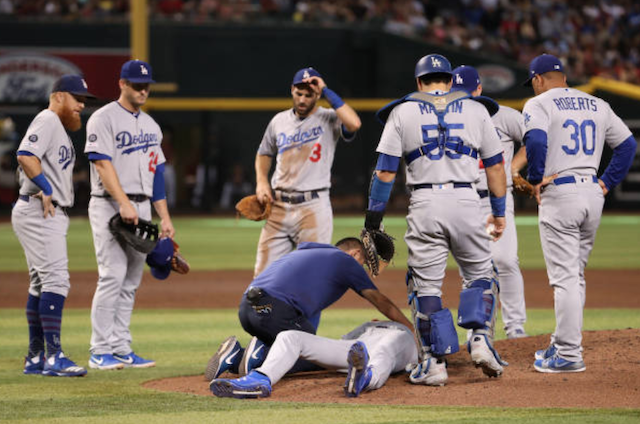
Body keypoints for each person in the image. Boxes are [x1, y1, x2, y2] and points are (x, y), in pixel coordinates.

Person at [364, 54, 509, 386]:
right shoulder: (476, 109)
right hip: (467, 200)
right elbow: (496, 167)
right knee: (480, 275)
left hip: (426, 202)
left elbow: (385, 171)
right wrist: (498, 212)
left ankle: (434, 363)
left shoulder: (401, 111)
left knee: (425, 285)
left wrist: (373, 219)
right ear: (449, 78)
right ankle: (480, 340)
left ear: (419, 82)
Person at [521, 54, 637, 373]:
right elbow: (628, 145)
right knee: (576, 274)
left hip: (561, 192)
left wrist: (534, 178)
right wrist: (606, 182)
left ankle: (569, 354)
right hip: (591, 192)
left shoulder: (539, 103)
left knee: (565, 278)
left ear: (538, 79)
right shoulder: (596, 103)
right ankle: (563, 342)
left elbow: (535, 139)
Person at [205, 237, 413, 381]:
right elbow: (380, 300)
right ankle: (251, 359)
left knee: (307, 338)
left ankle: (239, 353)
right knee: (316, 353)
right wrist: (411, 329)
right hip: (274, 309)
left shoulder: (311, 253)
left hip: (247, 308)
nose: (364, 269)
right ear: (355, 253)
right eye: (365, 263)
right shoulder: (346, 262)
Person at [84, 59, 175, 370]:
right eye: (137, 84)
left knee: (132, 280)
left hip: (142, 205)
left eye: (146, 85)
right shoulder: (103, 118)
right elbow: (100, 162)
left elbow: (158, 174)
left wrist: (165, 217)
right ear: (121, 83)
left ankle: (121, 347)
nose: (143, 90)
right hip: (109, 204)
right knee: (112, 275)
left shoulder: (151, 126)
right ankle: (99, 349)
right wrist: (123, 201)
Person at [12, 75, 96, 377]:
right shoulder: (47, 120)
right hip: (40, 210)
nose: (82, 105)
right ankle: (54, 356)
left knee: (40, 284)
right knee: (57, 282)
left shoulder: (56, 127)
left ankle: (36, 357)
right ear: (59, 96)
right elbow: (25, 155)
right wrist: (46, 187)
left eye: (84, 101)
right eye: (77, 98)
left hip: (40, 211)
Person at [253, 67, 361, 276]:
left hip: (314, 207)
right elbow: (264, 153)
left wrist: (326, 91)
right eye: (298, 93)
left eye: (308, 95)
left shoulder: (330, 118)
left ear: (317, 95)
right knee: (262, 278)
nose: (302, 99)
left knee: (312, 276)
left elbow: (354, 123)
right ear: (292, 90)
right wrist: (261, 181)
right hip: (279, 205)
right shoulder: (279, 121)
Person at [451, 65, 528, 339]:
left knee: (505, 260)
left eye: (467, 93)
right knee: (471, 268)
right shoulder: (446, 118)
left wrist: (515, 168)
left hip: (497, 197)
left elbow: (536, 139)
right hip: (463, 199)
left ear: (479, 89)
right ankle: (479, 329)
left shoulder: (504, 115)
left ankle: (516, 327)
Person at [209, 320, 418, 399]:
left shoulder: (407, 332)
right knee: (290, 336)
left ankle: (365, 378)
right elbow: (344, 342)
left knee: (382, 353)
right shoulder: (368, 325)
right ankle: (260, 379)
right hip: (355, 347)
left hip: (401, 342)